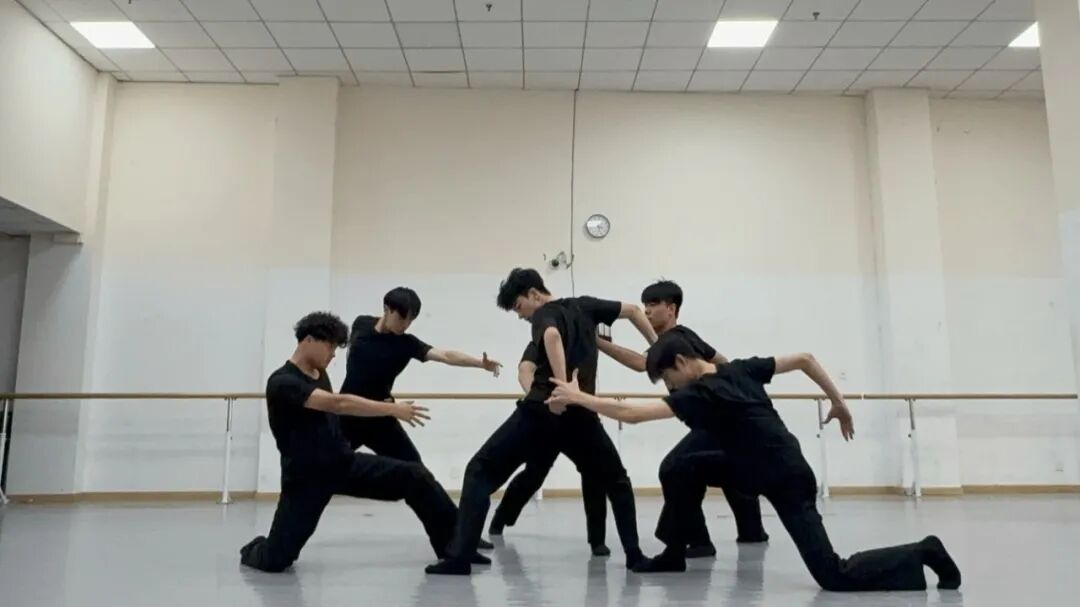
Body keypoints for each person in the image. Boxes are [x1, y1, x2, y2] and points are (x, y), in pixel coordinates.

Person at [547, 333, 962, 590]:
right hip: (753, 467)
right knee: (682, 467)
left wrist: (579, 397)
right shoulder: (740, 369)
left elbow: (632, 414)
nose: (671, 388)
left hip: (787, 478)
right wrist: (837, 402)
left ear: (681, 363)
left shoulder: (703, 392)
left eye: (669, 380)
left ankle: (923, 552)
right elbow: (804, 358)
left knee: (834, 575)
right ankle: (675, 552)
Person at [425, 268, 657, 575]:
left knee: (480, 470)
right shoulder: (586, 306)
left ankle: (460, 556)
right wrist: (658, 345)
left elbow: (551, 336)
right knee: (617, 481)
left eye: (519, 307)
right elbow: (634, 311)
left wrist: (561, 386)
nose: (521, 316)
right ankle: (635, 556)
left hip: (541, 411)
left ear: (534, 294)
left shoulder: (544, 314)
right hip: (581, 415)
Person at [239, 311, 488, 572]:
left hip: (343, 465)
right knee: (277, 559)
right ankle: (255, 549)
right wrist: (392, 409)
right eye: (330, 346)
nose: (333, 354)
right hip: (306, 478)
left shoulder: (318, 372)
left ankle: (455, 550)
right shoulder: (283, 382)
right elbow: (338, 404)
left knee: (416, 477)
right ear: (309, 340)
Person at [597, 280, 768, 555]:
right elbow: (722, 360)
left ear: (671, 308)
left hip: (715, 421)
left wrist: (598, 343)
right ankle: (752, 532)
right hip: (720, 421)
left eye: (653, 305)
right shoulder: (682, 336)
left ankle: (700, 541)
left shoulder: (674, 338)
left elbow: (641, 363)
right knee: (728, 471)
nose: (647, 311)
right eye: (645, 305)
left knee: (673, 469)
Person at [339, 287, 502, 462]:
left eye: (410, 321)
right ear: (387, 309)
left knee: (414, 468)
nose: (405, 325)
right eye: (401, 319)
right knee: (326, 464)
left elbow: (445, 355)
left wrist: (479, 363)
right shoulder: (361, 323)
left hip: (382, 415)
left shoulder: (406, 344)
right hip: (349, 412)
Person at [486, 339, 610, 557]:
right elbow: (525, 370)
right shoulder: (545, 337)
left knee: (593, 473)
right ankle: (501, 518)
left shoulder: (584, 342)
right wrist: (537, 399)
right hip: (548, 417)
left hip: (581, 419)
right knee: (534, 473)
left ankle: (597, 540)